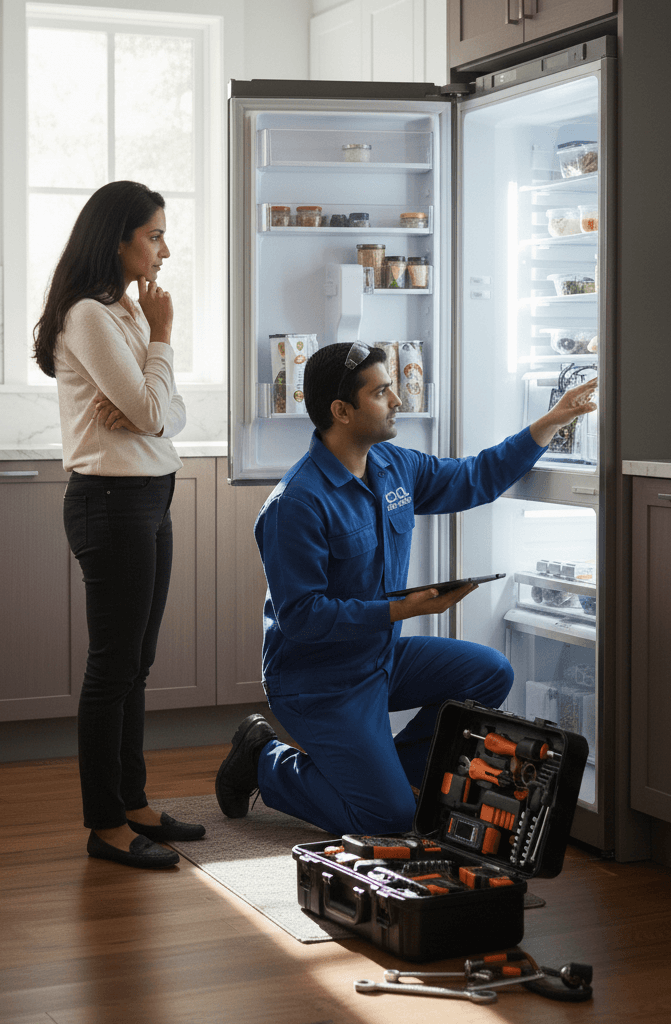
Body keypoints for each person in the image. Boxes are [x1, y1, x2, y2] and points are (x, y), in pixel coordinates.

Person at [215, 342, 598, 837]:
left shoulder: (393, 466)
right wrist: (398, 610)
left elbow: (473, 478)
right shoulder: (297, 504)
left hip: (381, 659)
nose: (397, 400)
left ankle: (387, 775)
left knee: (489, 674)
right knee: (389, 818)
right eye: (381, 391)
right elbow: (303, 617)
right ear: (342, 411)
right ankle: (263, 759)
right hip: (318, 681)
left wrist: (548, 423)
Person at [34, 180, 205, 869]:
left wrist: (149, 395)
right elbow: (150, 412)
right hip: (111, 500)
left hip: (149, 496)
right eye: (154, 235)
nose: (164, 248)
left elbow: (170, 411)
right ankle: (105, 823)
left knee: (138, 662)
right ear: (119, 240)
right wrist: (162, 341)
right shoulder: (90, 316)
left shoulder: (123, 312)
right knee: (112, 668)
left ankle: (132, 800)